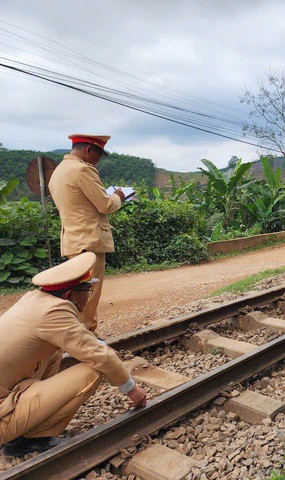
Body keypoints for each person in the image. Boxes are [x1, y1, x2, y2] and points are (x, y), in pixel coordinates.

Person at [0, 253, 147, 458]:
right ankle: (30, 439)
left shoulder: (36, 299)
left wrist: (98, 345)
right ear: (70, 295)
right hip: (2, 419)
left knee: (55, 350)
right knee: (94, 369)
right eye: (87, 289)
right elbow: (101, 357)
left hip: (6, 392)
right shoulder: (54, 313)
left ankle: (28, 425)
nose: (90, 294)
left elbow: (75, 335)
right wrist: (131, 389)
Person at [48, 134, 126, 334]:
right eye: (99, 154)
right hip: (89, 241)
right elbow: (106, 204)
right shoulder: (83, 170)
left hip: (73, 242)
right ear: (88, 150)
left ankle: (81, 335)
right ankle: (85, 339)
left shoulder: (58, 172)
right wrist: (118, 196)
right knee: (88, 296)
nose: (99, 160)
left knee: (78, 293)